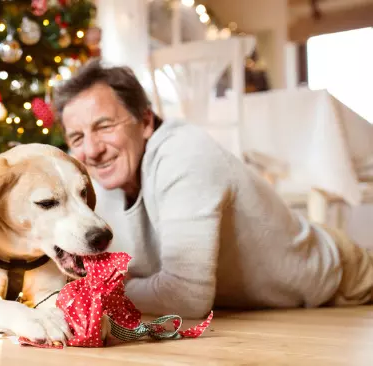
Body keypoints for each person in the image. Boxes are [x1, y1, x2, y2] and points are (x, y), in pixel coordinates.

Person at [53, 58, 373, 318]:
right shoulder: (93, 181)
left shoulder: (183, 155)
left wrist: (102, 289)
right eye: (77, 138)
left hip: (341, 279)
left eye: (104, 126)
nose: (92, 150)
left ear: (146, 121)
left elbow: (185, 297)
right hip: (259, 306)